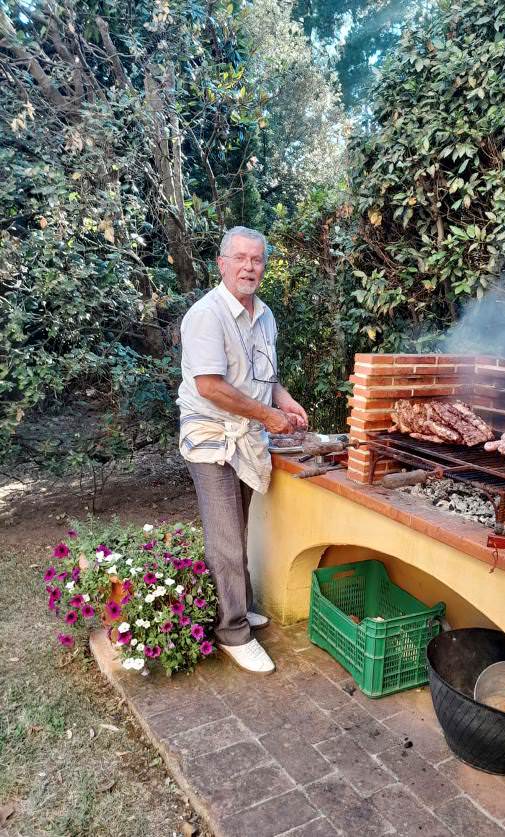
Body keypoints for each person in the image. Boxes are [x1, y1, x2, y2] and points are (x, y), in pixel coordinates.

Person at [177, 226, 308, 674]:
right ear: (222, 264)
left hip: (248, 434)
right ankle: (233, 632)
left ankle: (240, 604)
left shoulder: (265, 316)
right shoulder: (206, 315)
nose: (249, 267)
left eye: (257, 260)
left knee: (240, 529)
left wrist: (283, 401)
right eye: (240, 258)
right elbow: (210, 386)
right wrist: (268, 416)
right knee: (226, 540)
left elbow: (266, 379)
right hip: (211, 437)